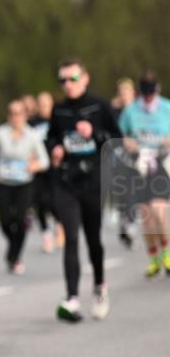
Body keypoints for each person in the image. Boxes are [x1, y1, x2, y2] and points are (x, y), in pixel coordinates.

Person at [46, 57, 121, 322]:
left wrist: (95, 133)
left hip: (93, 181)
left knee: (92, 240)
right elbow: (52, 137)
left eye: (73, 79)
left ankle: (100, 287)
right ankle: (72, 299)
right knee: (71, 237)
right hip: (66, 182)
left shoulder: (99, 106)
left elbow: (117, 141)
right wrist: (54, 149)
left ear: (85, 78)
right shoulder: (59, 110)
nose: (68, 85)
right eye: (62, 80)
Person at [0, 99, 49, 274]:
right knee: (6, 221)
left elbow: (44, 160)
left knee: (20, 220)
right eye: (12, 113)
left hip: (23, 183)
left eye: (19, 113)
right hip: (2, 183)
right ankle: (14, 248)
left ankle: (14, 256)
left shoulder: (33, 135)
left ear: (25, 115)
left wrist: (33, 166)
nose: (15, 117)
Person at [118, 70, 170, 277]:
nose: (148, 98)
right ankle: (153, 258)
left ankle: (166, 254)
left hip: (161, 163)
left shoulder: (166, 107)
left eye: (151, 94)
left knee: (159, 210)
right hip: (139, 165)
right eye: (145, 94)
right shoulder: (131, 110)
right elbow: (120, 134)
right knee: (146, 217)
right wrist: (127, 142)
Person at [28, 91, 61, 253]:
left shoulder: (58, 120)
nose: (43, 107)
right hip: (38, 167)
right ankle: (46, 234)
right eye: (40, 104)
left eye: (46, 104)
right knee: (39, 202)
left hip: (55, 167)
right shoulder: (31, 123)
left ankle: (60, 224)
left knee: (55, 200)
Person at [111, 78, 139, 249]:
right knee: (122, 190)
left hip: (141, 156)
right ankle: (127, 221)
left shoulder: (140, 110)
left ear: (133, 93)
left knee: (135, 189)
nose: (124, 94)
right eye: (121, 91)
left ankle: (131, 222)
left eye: (127, 91)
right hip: (119, 155)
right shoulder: (114, 110)